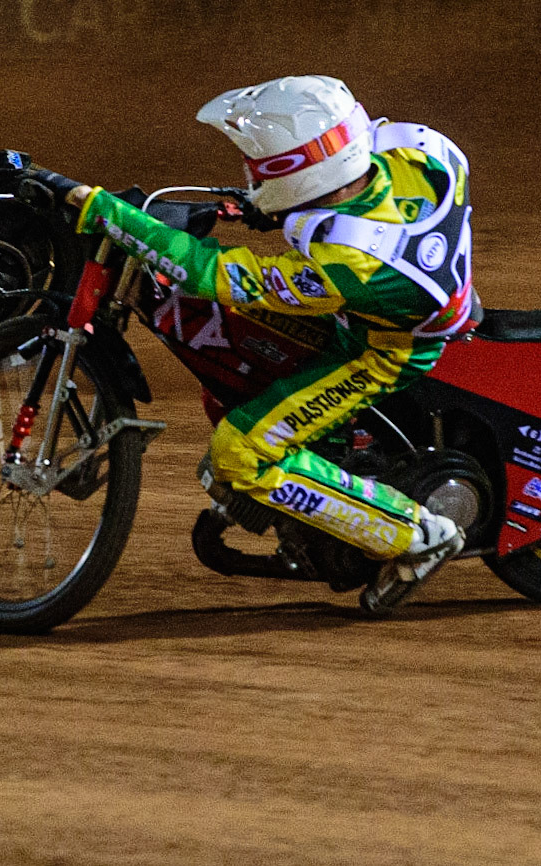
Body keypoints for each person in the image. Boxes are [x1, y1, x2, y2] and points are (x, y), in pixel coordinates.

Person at [63, 75, 473, 610]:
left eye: (260, 166)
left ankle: (419, 536)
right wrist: (273, 205)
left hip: (382, 347)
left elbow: (207, 273)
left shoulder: (348, 259)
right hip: (405, 288)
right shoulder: (416, 147)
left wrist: (107, 213)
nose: (250, 173)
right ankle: (320, 497)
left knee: (242, 451)